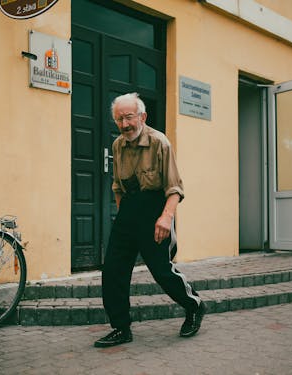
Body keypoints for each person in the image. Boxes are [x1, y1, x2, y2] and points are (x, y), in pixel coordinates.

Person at [94, 93, 205, 348]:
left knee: (161, 271)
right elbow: (118, 187)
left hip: (156, 211)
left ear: (142, 117)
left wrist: (166, 218)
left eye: (129, 117)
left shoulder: (159, 142)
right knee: (112, 270)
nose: (124, 124)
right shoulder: (118, 145)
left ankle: (194, 306)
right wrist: (124, 217)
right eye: (119, 119)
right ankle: (121, 328)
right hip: (128, 212)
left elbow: (175, 187)